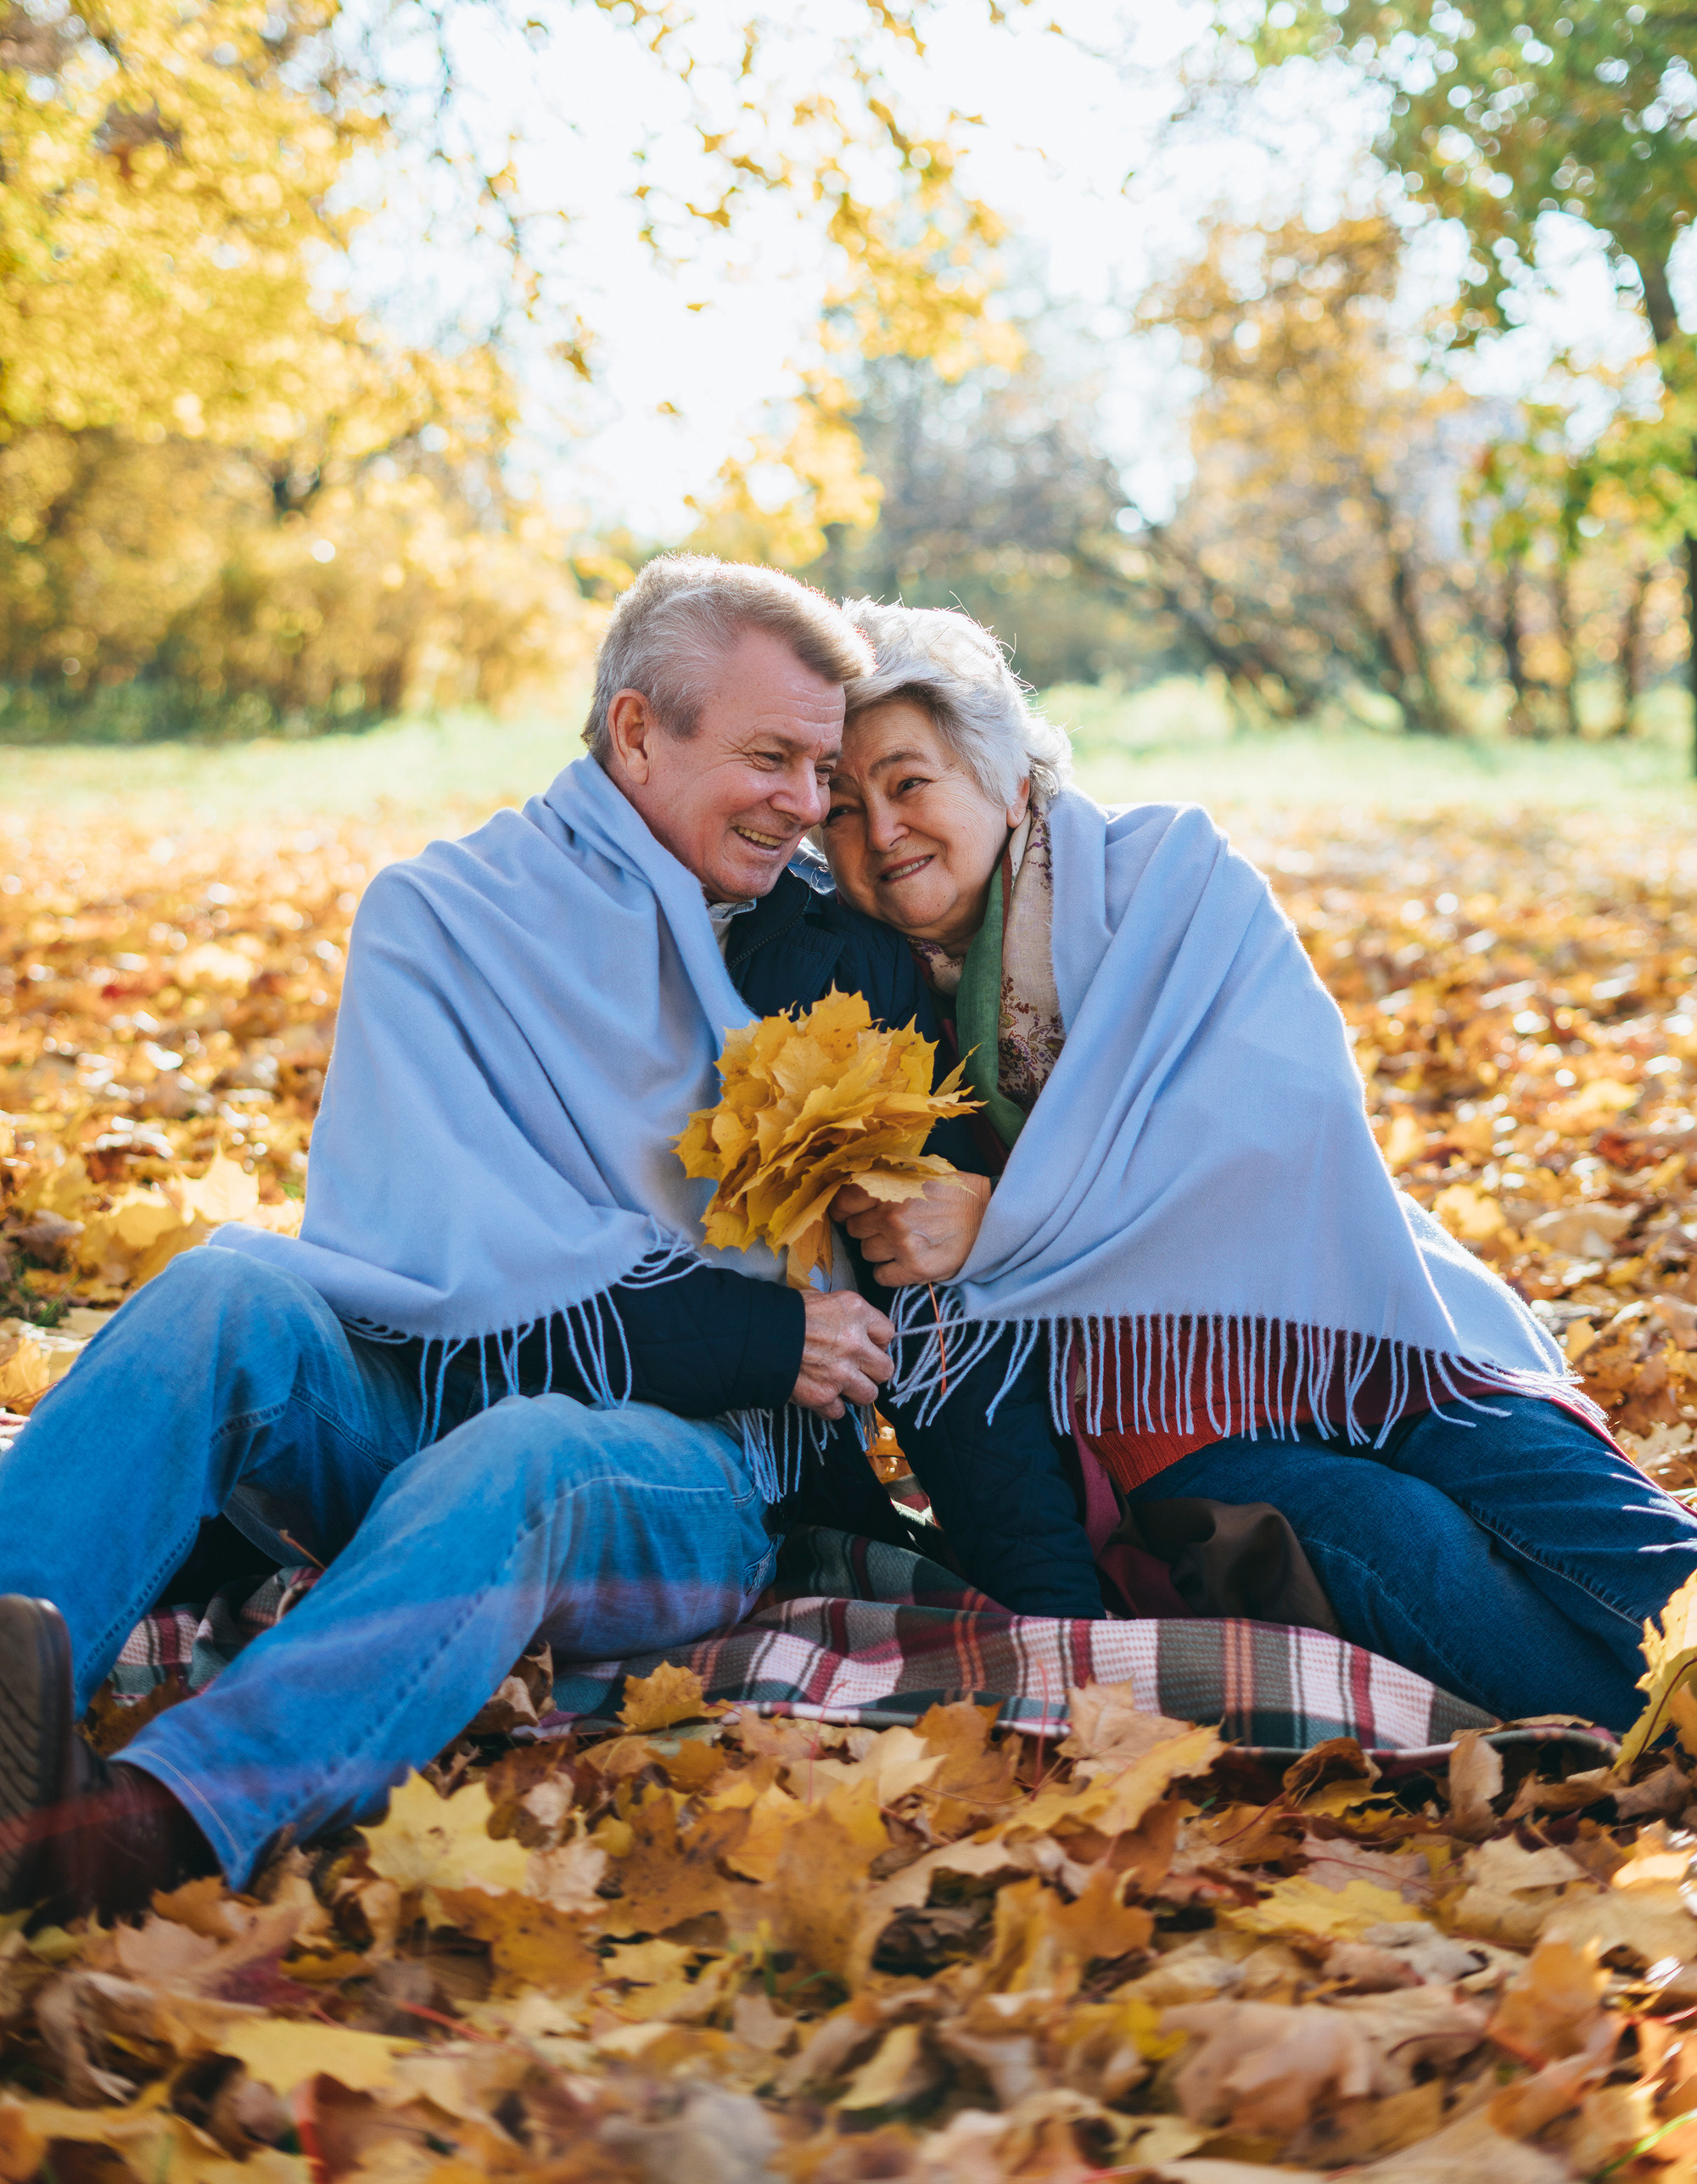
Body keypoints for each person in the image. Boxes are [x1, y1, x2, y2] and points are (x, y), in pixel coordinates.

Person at [0, 557, 959, 1923]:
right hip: (426, 1392)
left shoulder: (835, 949)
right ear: (637, 732)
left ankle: (146, 1827)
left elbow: (914, 1261)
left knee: (526, 1452)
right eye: (771, 759)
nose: (809, 805)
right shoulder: (446, 915)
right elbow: (432, 1242)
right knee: (222, 1290)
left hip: (689, 1474)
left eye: (821, 767)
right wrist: (754, 1331)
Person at [815, 600, 1697, 1732]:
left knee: (1588, 1517)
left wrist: (1011, 1222)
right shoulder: (861, 1000)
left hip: (1360, 1324)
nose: (883, 830)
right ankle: (1653, 1737)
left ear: (1005, 778)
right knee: (1405, 1548)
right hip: (1163, 1411)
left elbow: (1286, 1130)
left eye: (908, 782)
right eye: (843, 808)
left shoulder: (1171, 881)